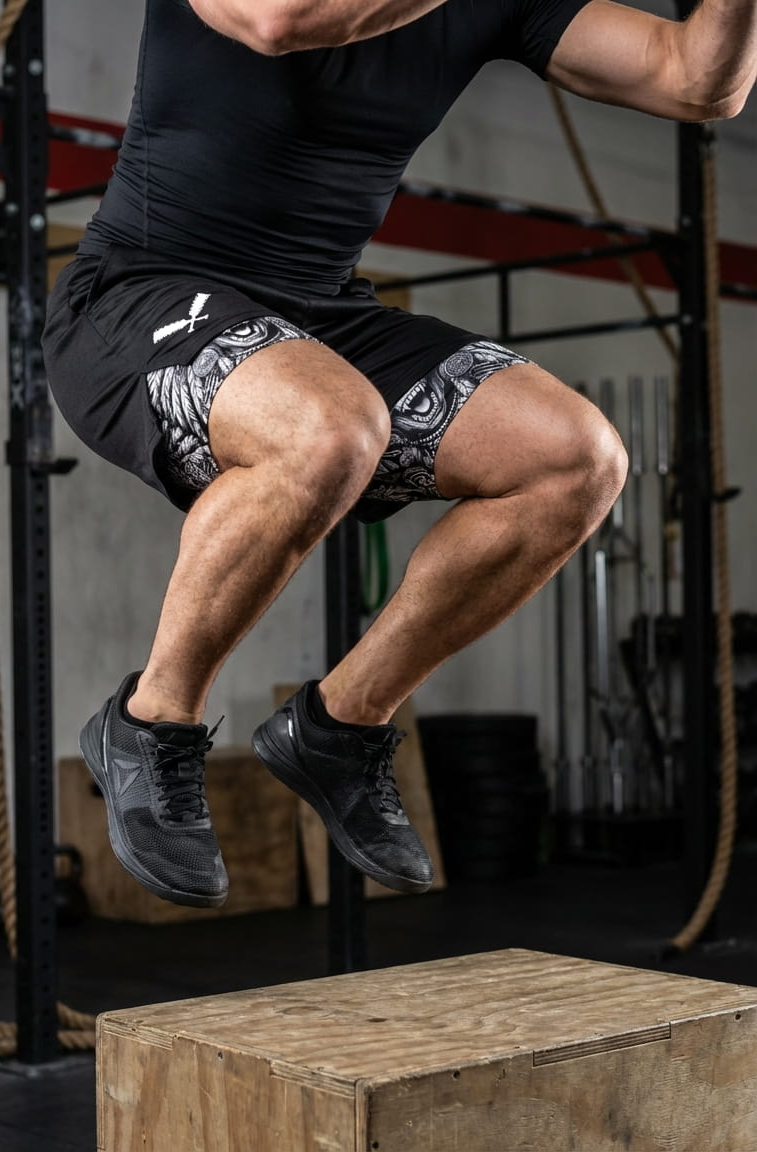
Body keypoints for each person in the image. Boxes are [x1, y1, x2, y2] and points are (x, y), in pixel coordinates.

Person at [43, 0, 755, 908]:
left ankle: (341, 727)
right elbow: (278, 18)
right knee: (334, 426)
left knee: (577, 459)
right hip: (139, 294)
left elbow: (700, 81)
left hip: (319, 317)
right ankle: (150, 724)